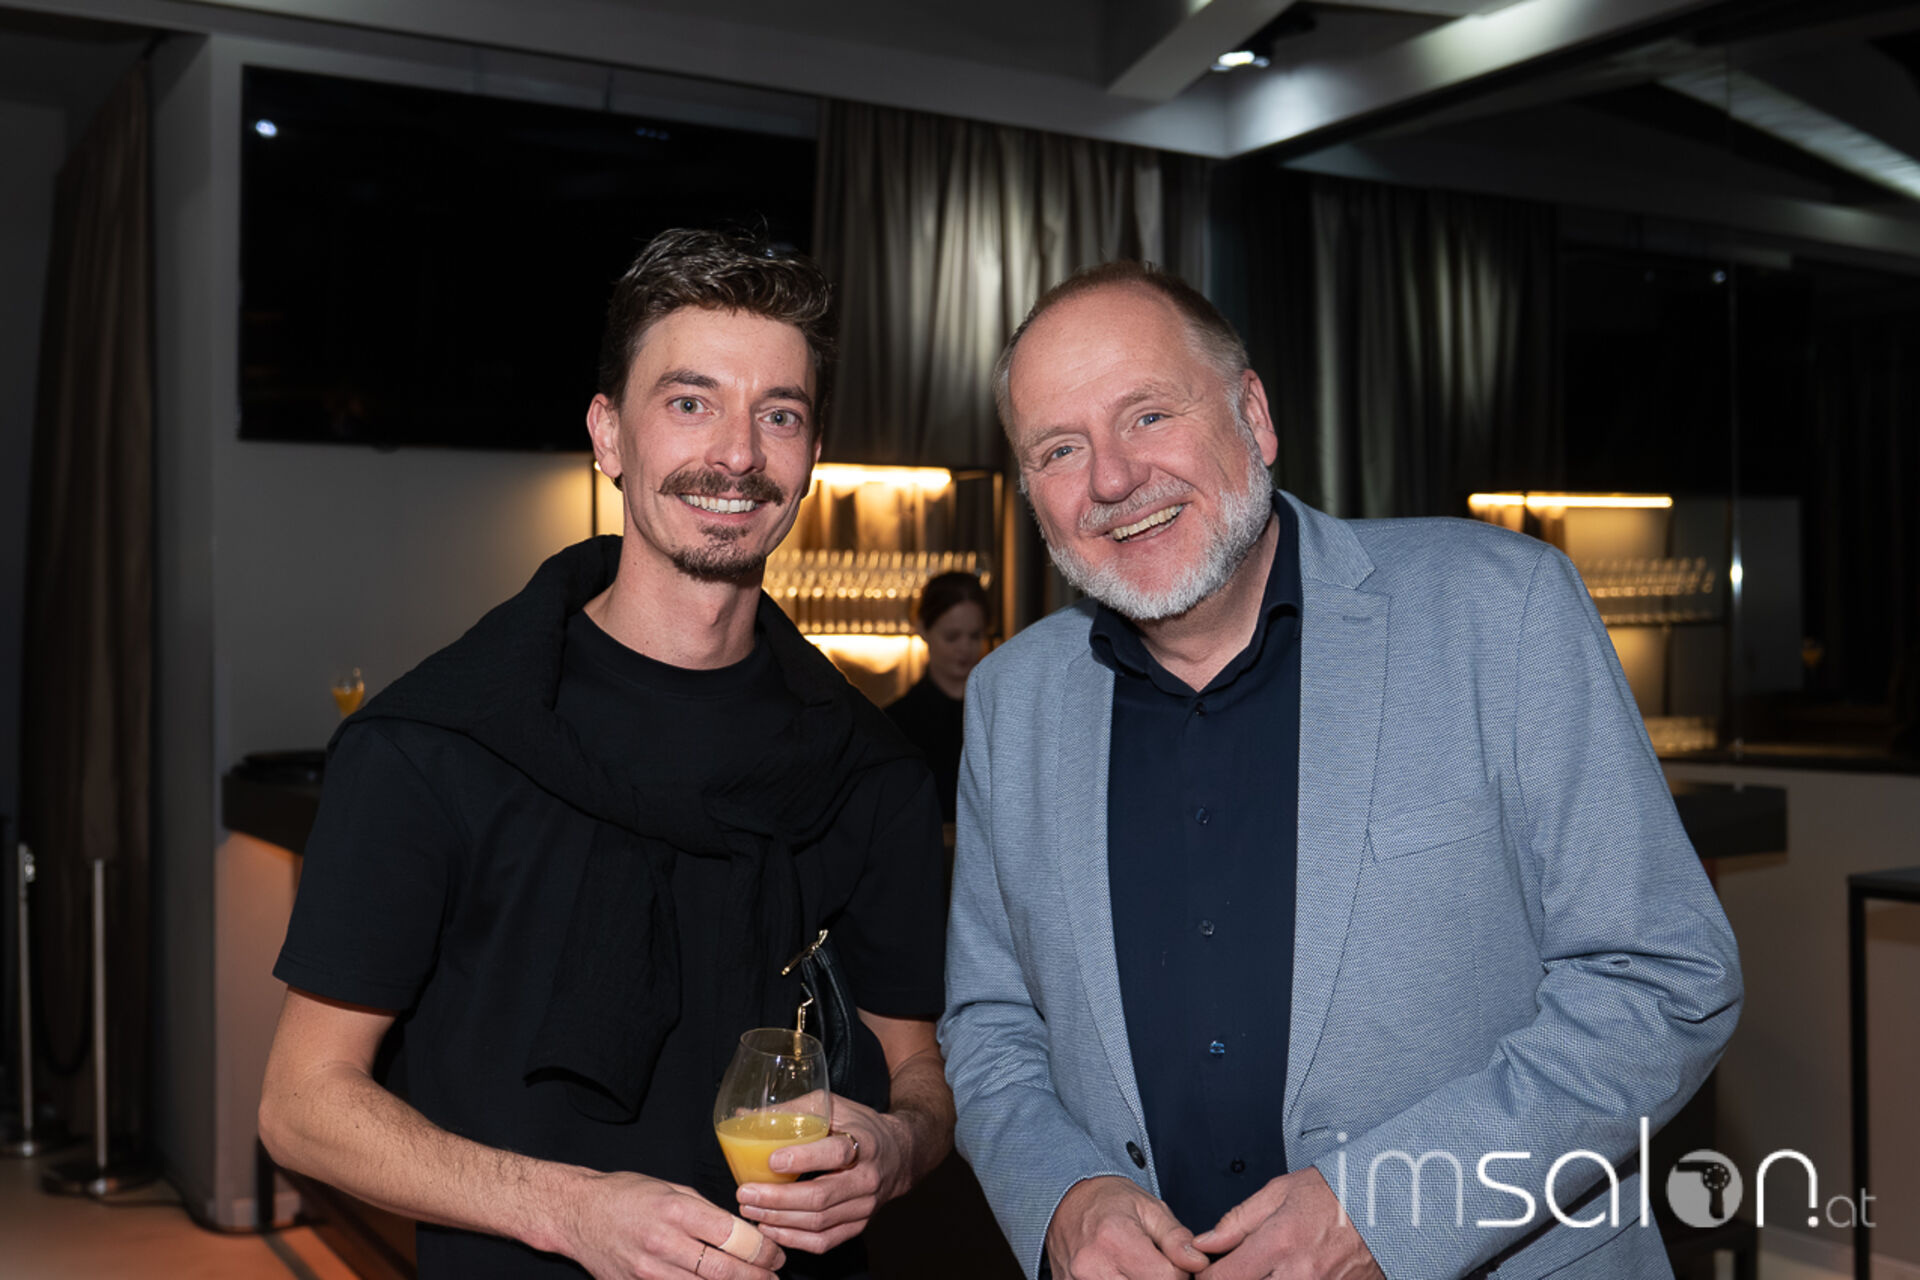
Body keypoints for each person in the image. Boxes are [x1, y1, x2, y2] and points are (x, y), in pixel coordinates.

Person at [939, 262, 1742, 1280]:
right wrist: (1062, 1195)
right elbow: (991, 1023)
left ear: (1254, 416)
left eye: (1148, 415)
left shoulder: (1500, 608)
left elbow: (1665, 979)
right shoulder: (1011, 702)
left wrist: (1390, 1212)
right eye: (1060, 448)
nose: (1111, 478)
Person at [259, 228, 954, 1280]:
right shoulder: (436, 743)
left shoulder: (871, 770)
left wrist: (898, 1147)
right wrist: (570, 1210)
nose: (738, 455)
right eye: (691, 402)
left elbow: (920, 1072)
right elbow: (302, 1104)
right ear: (608, 434)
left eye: (779, 414)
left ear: (811, 452)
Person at [884, 572, 990, 823]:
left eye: (975, 636)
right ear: (922, 629)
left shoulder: (998, 715)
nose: (964, 648)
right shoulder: (895, 723)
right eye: (952, 636)